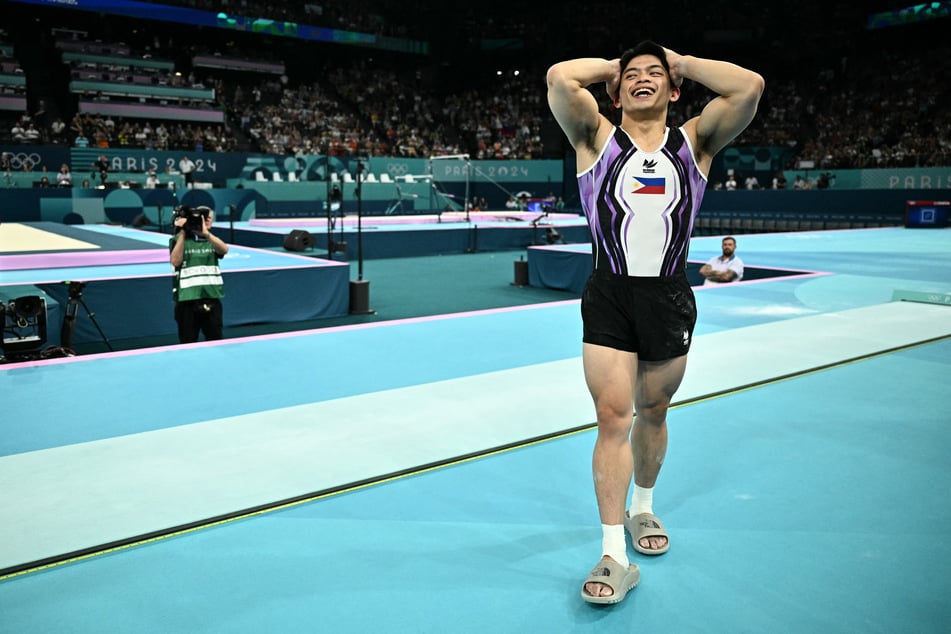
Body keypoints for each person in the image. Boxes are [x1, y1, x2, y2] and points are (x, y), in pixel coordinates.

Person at [547, 40, 763, 604]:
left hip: (668, 296)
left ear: (673, 90)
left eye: (655, 75)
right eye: (632, 76)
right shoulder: (595, 137)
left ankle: (643, 507)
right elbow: (560, 78)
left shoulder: (695, 142)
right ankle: (614, 553)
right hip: (610, 294)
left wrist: (683, 63)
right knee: (612, 417)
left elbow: (750, 87)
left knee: (654, 411)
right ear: (616, 93)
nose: (644, 80)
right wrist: (613, 68)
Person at [169, 205, 228, 343]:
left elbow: (224, 250)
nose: (207, 222)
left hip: (211, 297)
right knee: (187, 342)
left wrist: (206, 234)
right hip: (186, 301)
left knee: (216, 341)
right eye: (205, 219)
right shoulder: (177, 240)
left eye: (209, 219)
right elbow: (175, 262)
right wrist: (183, 232)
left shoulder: (211, 240)